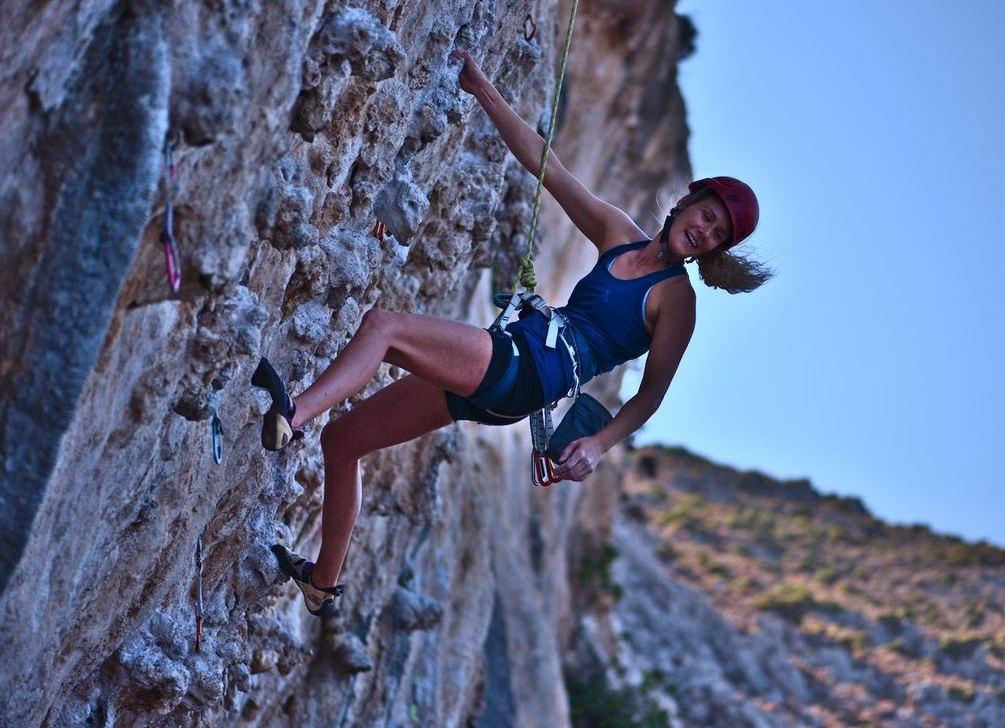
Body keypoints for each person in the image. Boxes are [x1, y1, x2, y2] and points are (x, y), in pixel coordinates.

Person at [256, 52, 772, 616]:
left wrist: (598, 446)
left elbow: (651, 395)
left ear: (717, 250)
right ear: (685, 203)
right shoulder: (619, 234)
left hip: (533, 371)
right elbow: (546, 166)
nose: (703, 231)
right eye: (705, 215)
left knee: (384, 327)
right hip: (514, 365)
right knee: (345, 442)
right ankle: (323, 582)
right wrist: (484, 91)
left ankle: (293, 413)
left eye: (717, 234)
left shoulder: (678, 301)